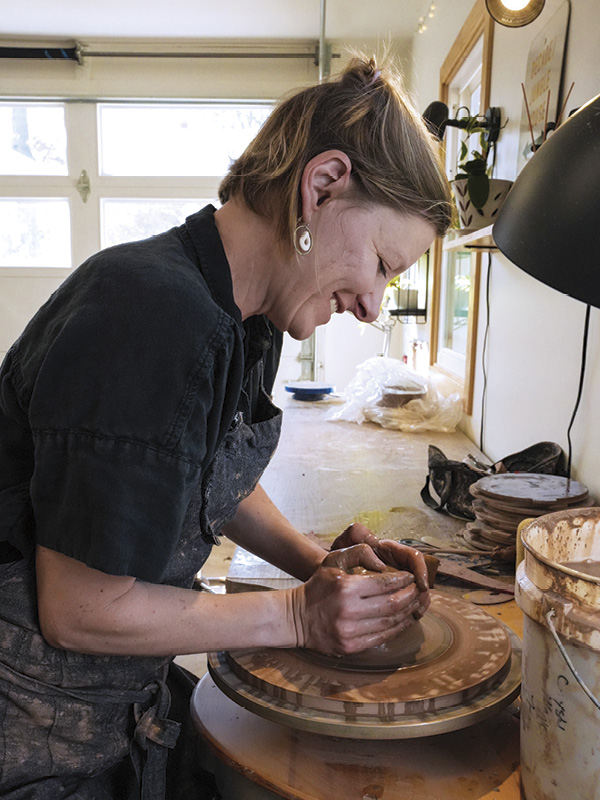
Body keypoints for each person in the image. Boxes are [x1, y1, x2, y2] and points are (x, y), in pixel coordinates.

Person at [0, 55, 452, 799]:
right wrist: (297, 618)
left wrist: (316, 566)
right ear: (322, 186)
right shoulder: (149, 316)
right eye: (380, 262)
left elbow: (200, 473)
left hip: (120, 696)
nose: (374, 305)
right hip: (36, 731)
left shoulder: (246, 316)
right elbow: (79, 608)